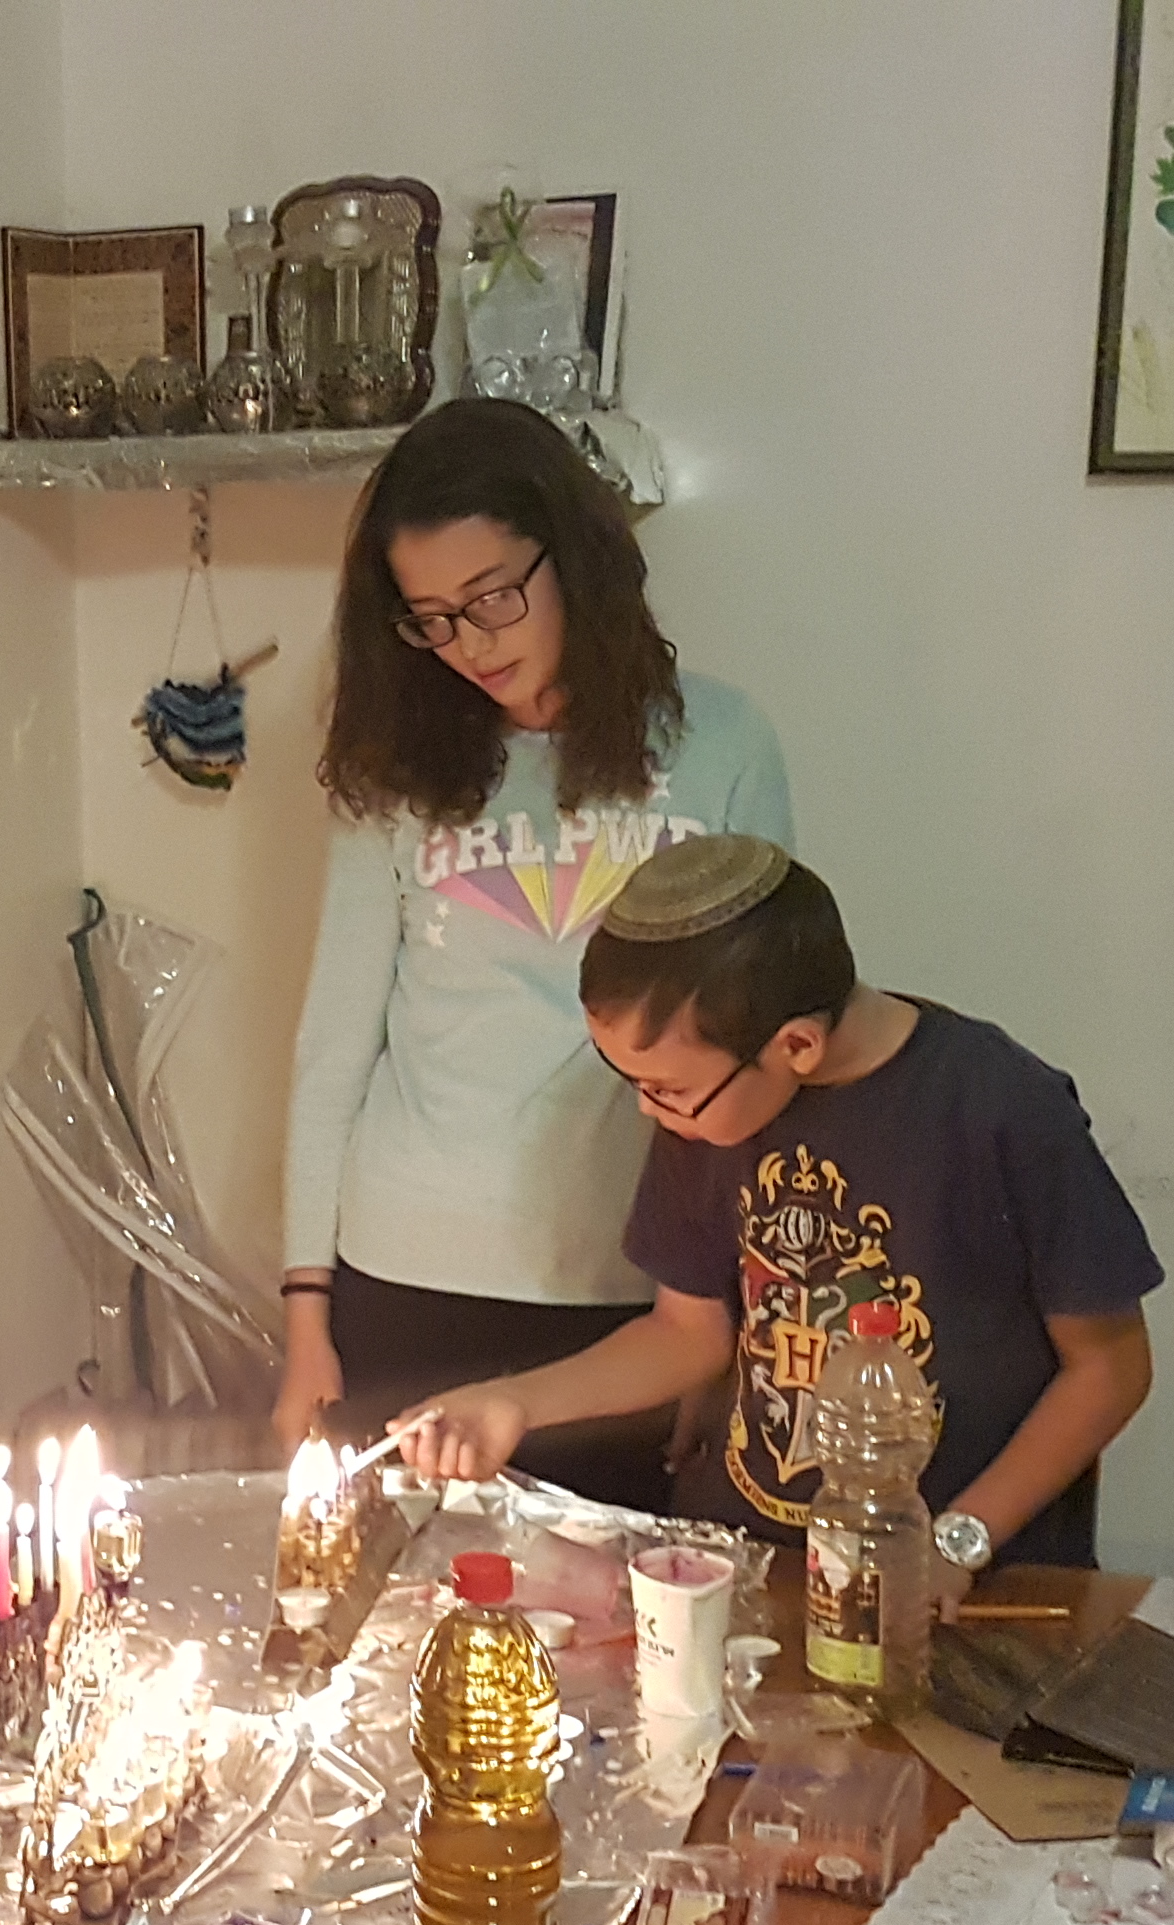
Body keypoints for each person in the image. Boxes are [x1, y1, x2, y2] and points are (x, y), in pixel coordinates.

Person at [276, 399, 794, 1511]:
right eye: (430, 619)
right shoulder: (391, 772)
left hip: (636, 1297)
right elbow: (333, 1050)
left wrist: (735, 1333)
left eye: (493, 597)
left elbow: (766, 1051)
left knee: (609, 1614)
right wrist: (306, 1317)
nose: (471, 644)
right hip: (406, 1277)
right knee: (403, 1606)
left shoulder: (724, 744)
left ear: (575, 555)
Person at [398, 834, 1159, 1585]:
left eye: (666, 1088)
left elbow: (1110, 1368)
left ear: (796, 1045)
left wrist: (959, 1542)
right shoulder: (711, 1111)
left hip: (968, 1578)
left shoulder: (999, 1108)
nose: (647, 1109)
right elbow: (686, 1332)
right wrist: (510, 1401)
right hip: (758, 1562)